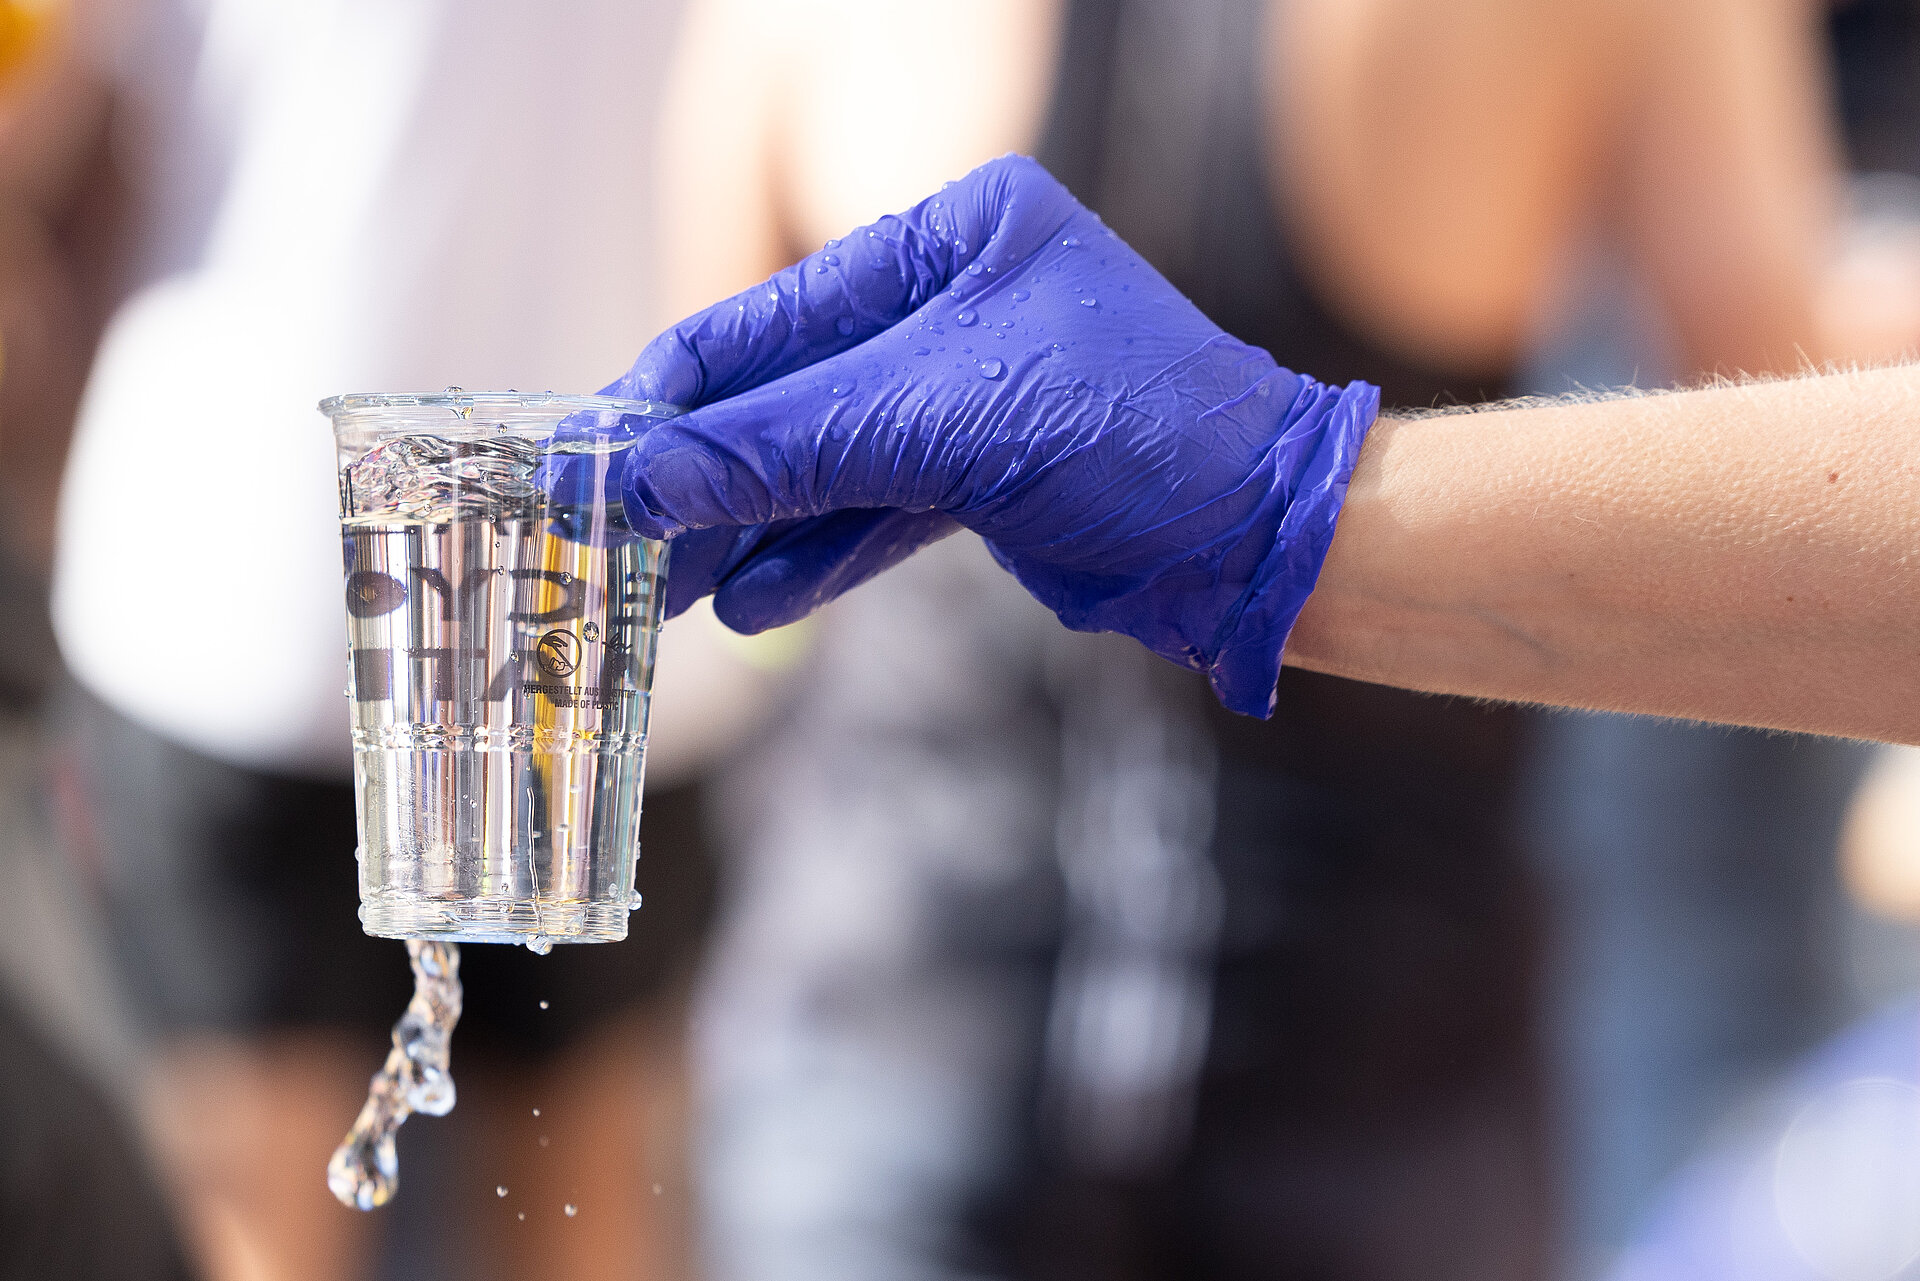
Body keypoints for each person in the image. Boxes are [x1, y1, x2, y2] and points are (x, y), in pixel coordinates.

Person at [600, 154, 1920, 746]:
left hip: (880, 985)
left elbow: (732, 587)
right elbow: (1760, 333)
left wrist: (1295, 499)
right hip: (1386, 1049)